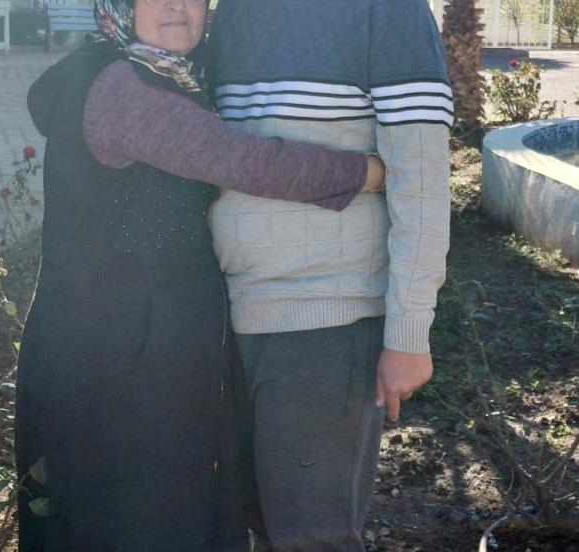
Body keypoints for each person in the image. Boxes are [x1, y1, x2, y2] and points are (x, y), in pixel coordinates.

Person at [16, 0, 388, 550]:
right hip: (108, 361)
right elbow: (246, 161)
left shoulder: (172, 74)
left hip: (149, 347)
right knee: (131, 522)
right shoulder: (119, 89)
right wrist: (372, 172)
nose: (177, 5)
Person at [208, 1, 454, 550]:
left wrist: (409, 335)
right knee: (261, 529)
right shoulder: (232, 12)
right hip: (230, 317)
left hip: (326, 323)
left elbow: (421, 183)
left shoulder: (387, 12)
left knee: (312, 537)